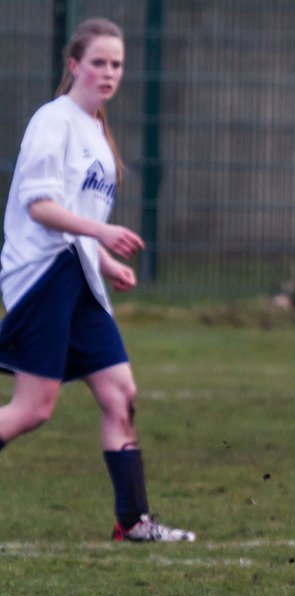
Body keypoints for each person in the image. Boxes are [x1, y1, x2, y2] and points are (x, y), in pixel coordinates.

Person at [0, 18, 194, 543]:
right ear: (73, 66)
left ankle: (133, 521)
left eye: (117, 64)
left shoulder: (96, 130)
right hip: (42, 277)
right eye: (98, 63)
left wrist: (105, 261)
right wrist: (103, 234)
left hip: (80, 275)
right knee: (33, 409)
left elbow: (75, 214)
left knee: (119, 393)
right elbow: (39, 206)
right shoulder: (54, 120)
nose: (109, 73)